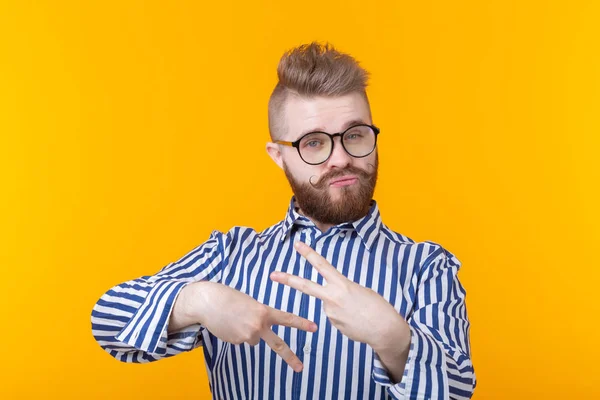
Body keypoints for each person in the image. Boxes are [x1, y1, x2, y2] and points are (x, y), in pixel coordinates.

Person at [91, 42, 476, 400]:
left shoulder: (427, 267)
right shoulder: (230, 255)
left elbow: (458, 393)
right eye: (313, 142)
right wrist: (198, 300)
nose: (341, 158)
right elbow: (108, 323)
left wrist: (394, 340)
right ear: (278, 155)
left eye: (355, 135)